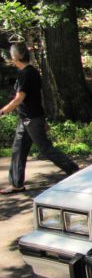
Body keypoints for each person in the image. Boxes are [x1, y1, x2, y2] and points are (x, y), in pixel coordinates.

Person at [0, 42, 79, 194]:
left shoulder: (28, 73)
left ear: (16, 56)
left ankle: (74, 170)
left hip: (32, 119)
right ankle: (17, 183)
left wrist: (2, 112)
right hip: (26, 119)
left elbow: (19, 99)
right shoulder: (28, 72)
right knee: (18, 149)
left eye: (11, 54)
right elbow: (37, 98)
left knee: (46, 149)